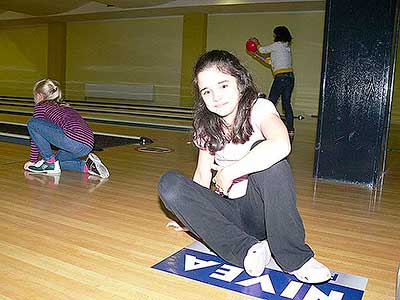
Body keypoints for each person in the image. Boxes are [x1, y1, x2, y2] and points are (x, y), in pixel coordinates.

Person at [158, 50, 330, 284]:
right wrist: (190, 216)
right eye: (206, 91)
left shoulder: (259, 108)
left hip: (259, 212)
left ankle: (296, 259)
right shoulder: (207, 125)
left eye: (223, 86)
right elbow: (201, 175)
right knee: (170, 184)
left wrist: (231, 171)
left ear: (240, 82)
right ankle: (248, 250)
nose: (216, 97)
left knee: (269, 156)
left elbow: (281, 144)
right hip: (227, 214)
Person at [23, 78, 109, 179]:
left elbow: (36, 136)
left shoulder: (41, 106)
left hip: (73, 141)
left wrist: (32, 160)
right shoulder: (64, 106)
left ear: (39, 96)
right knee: (57, 161)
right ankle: (87, 166)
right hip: (88, 144)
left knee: (32, 123)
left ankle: (49, 163)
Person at [251, 26, 296, 139]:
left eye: (275, 34)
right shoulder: (286, 48)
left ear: (278, 35)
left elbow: (262, 50)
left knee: (270, 102)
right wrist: (256, 55)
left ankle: (269, 128)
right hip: (290, 77)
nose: (274, 36)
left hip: (280, 77)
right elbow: (270, 62)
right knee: (286, 104)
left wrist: (256, 43)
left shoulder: (277, 45)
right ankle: (290, 130)